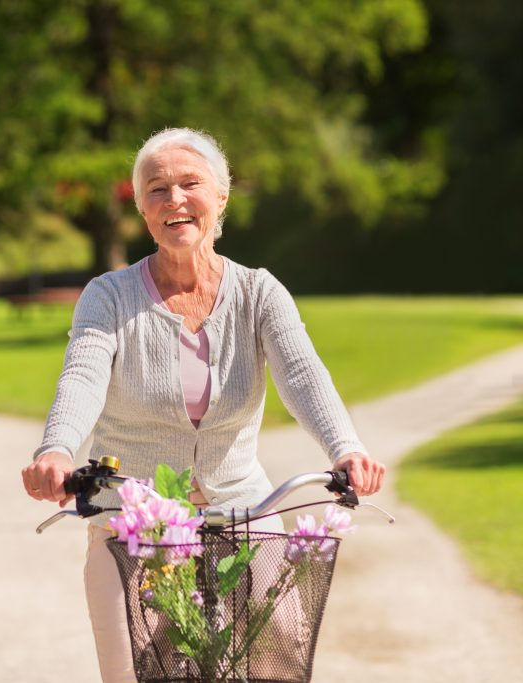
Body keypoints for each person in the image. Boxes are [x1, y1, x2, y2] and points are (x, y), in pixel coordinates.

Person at [20, 127, 386, 683]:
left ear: (220, 198)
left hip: (241, 509)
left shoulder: (259, 292)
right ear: (142, 209)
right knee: (131, 668)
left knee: (278, 651)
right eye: (157, 189)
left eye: (190, 184)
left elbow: (303, 374)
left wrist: (346, 448)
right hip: (134, 517)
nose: (175, 200)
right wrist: (57, 448)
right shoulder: (109, 296)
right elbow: (83, 374)